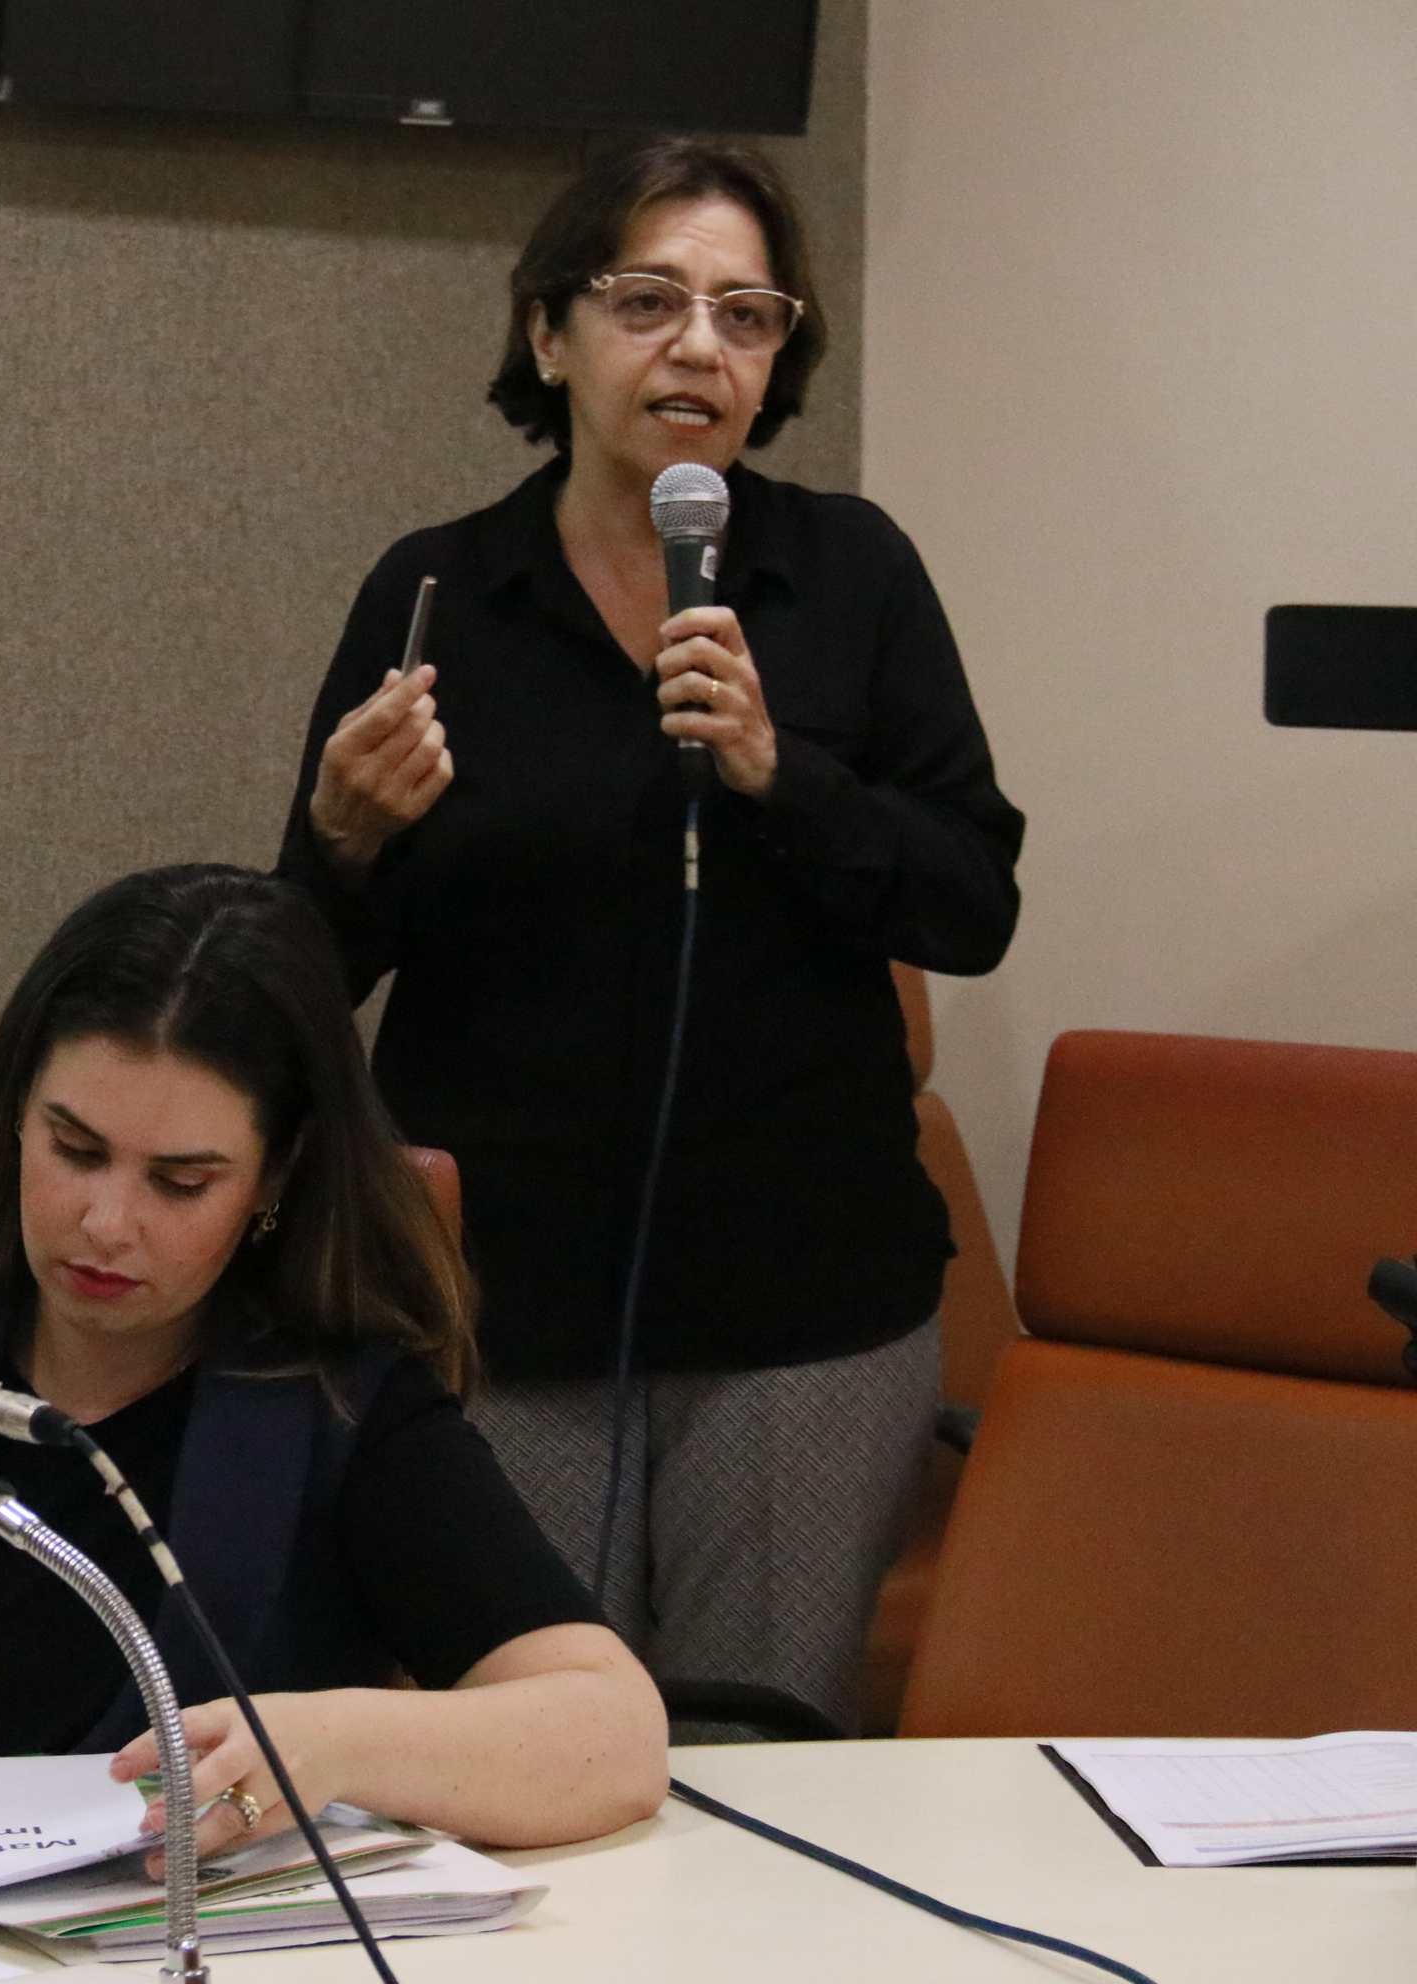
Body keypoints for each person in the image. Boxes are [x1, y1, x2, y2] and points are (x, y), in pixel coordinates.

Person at [276, 138, 1023, 1736]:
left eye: (746, 315)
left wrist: (781, 773)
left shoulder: (850, 575)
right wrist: (344, 835)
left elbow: (972, 900)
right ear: (551, 336)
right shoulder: (439, 592)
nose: (699, 347)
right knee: (538, 1761)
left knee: (765, 1763)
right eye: (648, 302)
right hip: (503, 1303)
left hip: (802, 1315)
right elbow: (305, 972)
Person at [0, 865, 666, 1859]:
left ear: (273, 1178)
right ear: (16, 1118)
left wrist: (333, 1740)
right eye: (75, 1148)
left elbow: (612, 1735)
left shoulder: (342, 1413)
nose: (106, 1223)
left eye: (181, 1183)